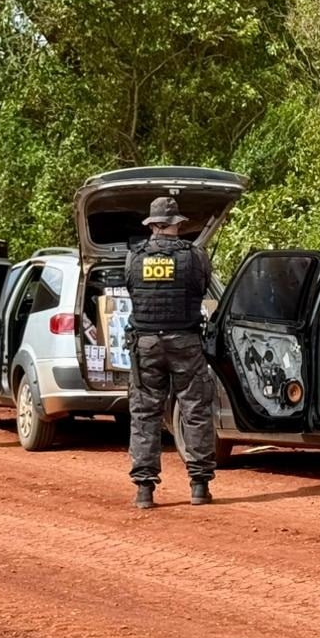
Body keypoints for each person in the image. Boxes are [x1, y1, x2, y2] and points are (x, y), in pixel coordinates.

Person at [125, 196, 216, 509]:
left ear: (152, 225)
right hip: (185, 341)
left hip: (146, 343)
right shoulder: (195, 255)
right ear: (176, 224)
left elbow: (131, 290)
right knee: (195, 409)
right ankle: (199, 486)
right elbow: (202, 288)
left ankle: (144, 490)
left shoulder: (134, 256)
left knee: (144, 413)